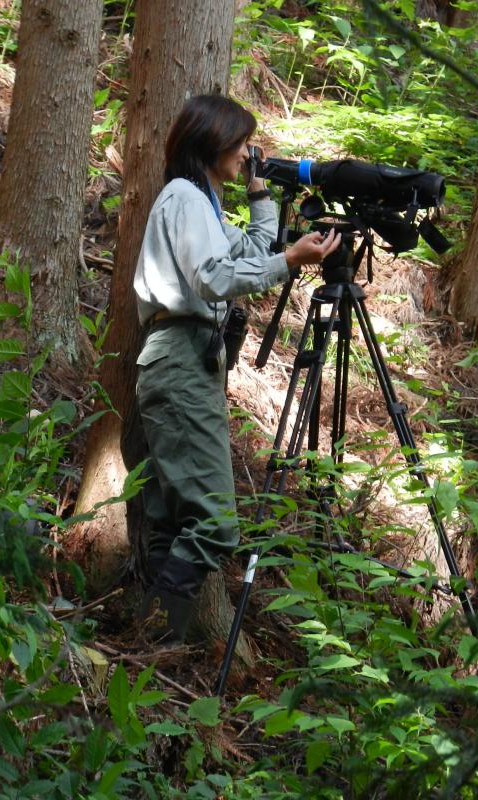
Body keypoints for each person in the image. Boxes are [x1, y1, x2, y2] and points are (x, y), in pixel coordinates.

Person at [133, 94, 341, 644]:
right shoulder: (183, 198)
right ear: (215, 142)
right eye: (244, 142)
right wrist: (289, 261)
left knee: (173, 515)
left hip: (186, 358)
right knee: (215, 525)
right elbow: (215, 278)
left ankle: (156, 638)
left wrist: (258, 194)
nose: (251, 150)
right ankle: (153, 635)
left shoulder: (204, 203)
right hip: (180, 355)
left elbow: (247, 251)